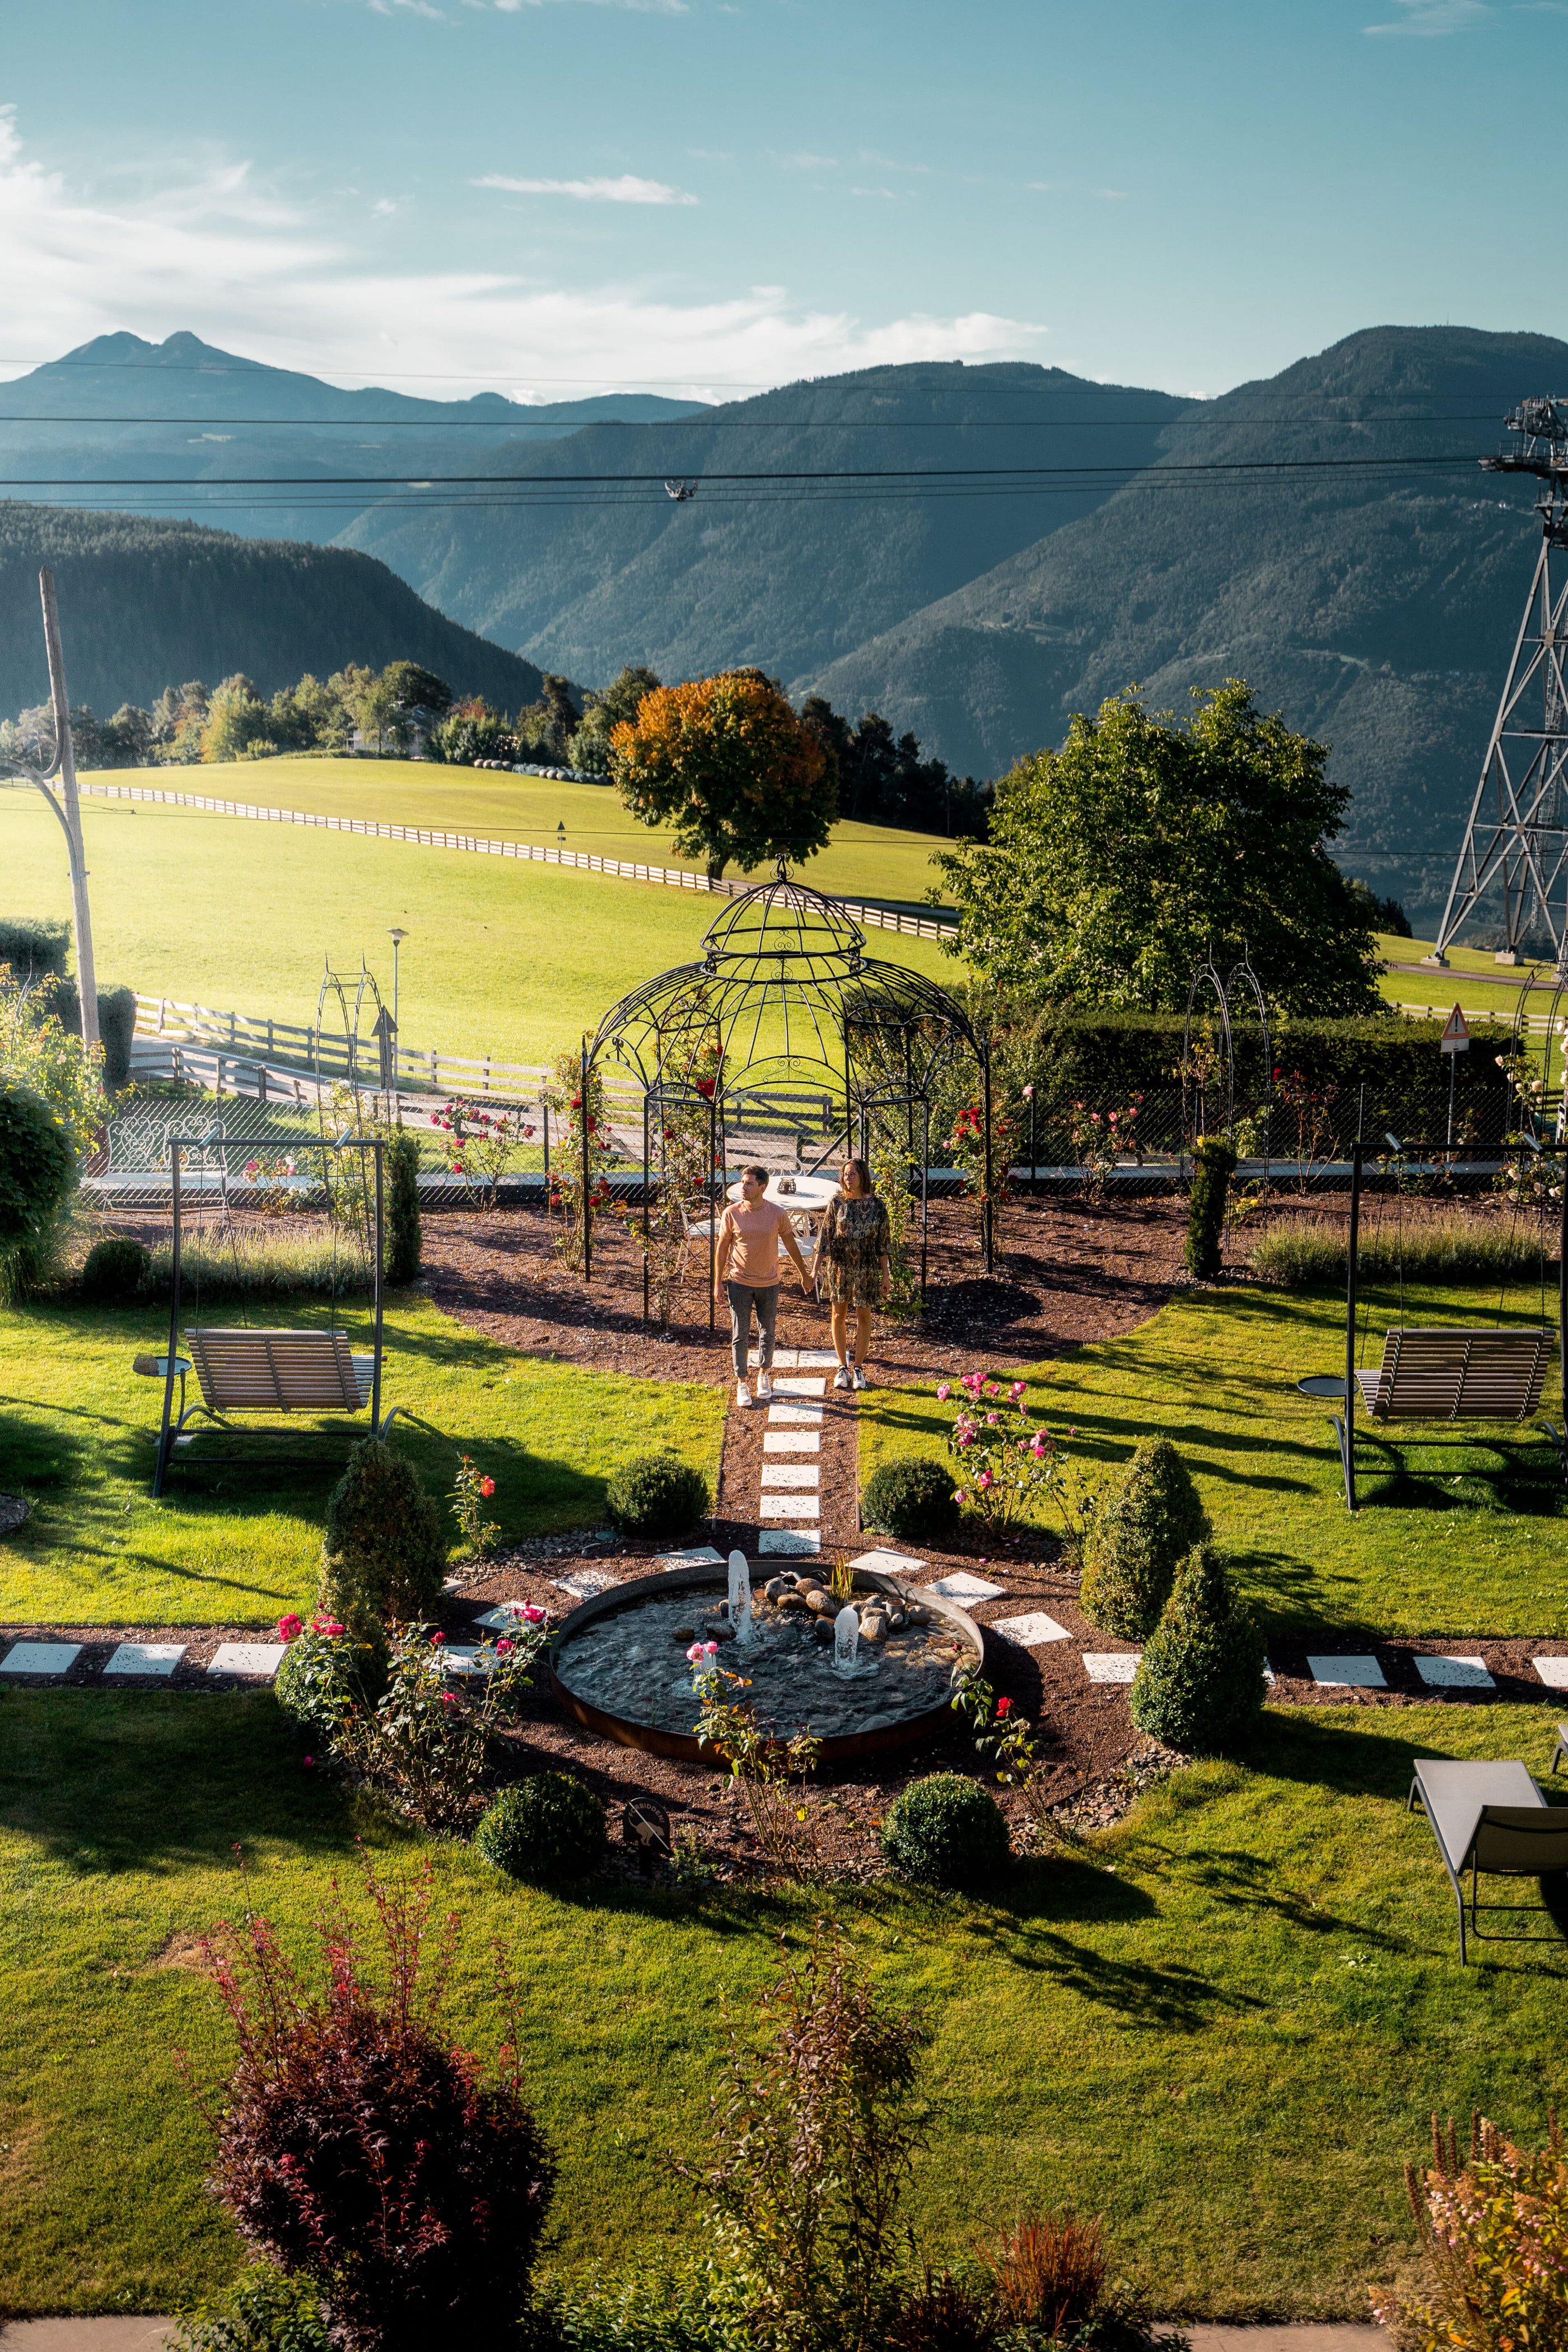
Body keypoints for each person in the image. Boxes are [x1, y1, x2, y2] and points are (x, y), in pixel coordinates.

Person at [713, 1164, 815, 1407]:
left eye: (749, 1183)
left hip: (770, 1283)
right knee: (740, 1334)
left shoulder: (777, 1213)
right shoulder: (731, 1213)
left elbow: (791, 1245)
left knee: (767, 1332)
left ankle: (764, 1374)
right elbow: (721, 1248)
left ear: (763, 1187)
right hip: (739, 1282)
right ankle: (742, 1382)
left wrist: (804, 1274)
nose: (743, 1187)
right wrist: (717, 1282)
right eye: (742, 1182)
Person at [815, 1158, 891, 1390]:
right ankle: (842, 1367)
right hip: (840, 1266)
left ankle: (858, 1367)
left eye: (853, 1174)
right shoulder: (837, 1203)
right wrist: (814, 1270)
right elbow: (825, 1238)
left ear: (863, 1177)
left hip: (867, 1267)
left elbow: (883, 1244)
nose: (848, 1178)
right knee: (838, 1314)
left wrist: (886, 1275)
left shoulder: (877, 1206)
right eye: (845, 1174)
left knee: (864, 1315)